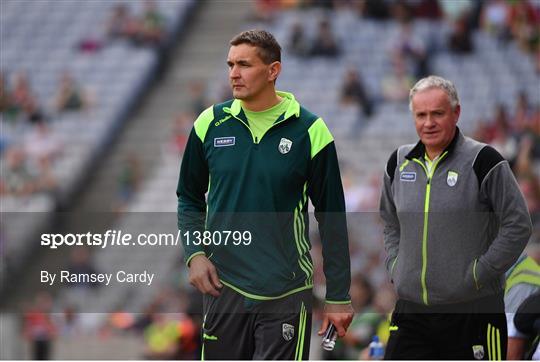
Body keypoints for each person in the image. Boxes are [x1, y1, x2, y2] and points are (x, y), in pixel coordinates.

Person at [177, 30, 353, 360]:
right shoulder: (209, 124)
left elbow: (332, 218)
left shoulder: (311, 131)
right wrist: (195, 254)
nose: (233, 73)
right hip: (223, 288)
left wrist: (338, 295)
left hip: (286, 290)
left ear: (273, 70)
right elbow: (188, 198)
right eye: (230, 64)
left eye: (244, 64)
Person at [379, 75, 532, 359]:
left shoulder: (484, 161)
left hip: (472, 311)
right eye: (421, 115)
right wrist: (396, 266)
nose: (429, 122)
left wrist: (479, 273)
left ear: (456, 112)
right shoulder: (398, 163)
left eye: (438, 113)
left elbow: (518, 225)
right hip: (411, 310)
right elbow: (390, 222)